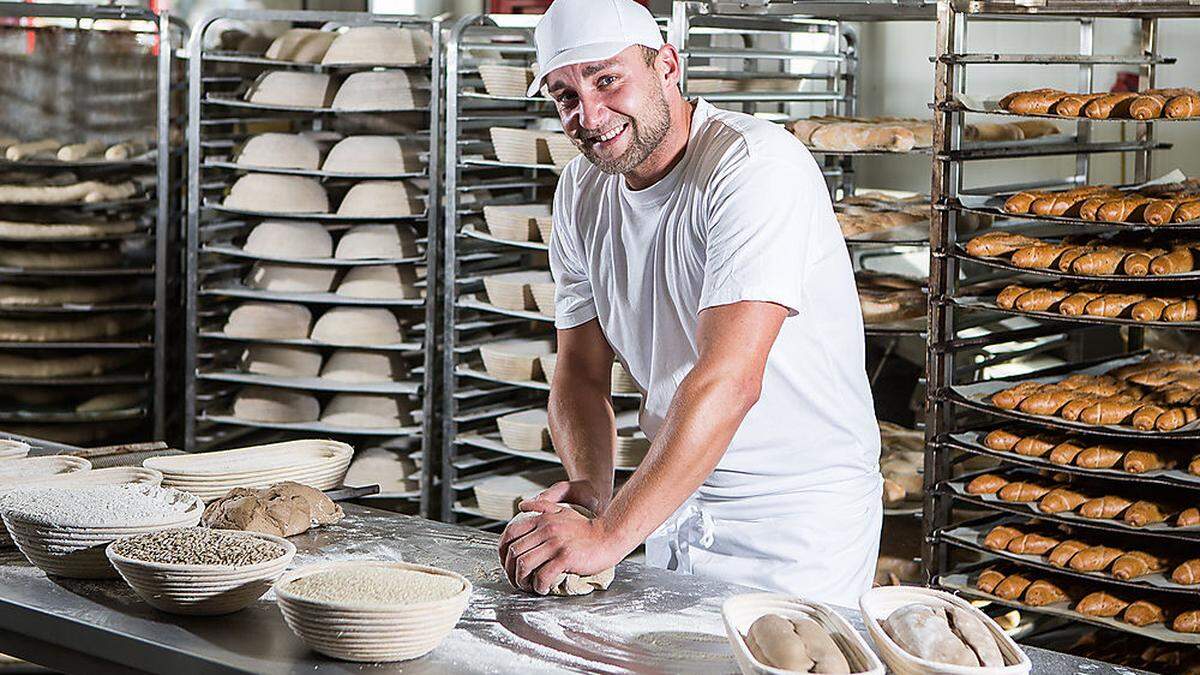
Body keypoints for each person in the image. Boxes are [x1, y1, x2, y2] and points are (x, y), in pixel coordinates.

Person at [497, 0, 882, 607]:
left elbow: (729, 381)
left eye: (607, 79)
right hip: (667, 495)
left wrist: (608, 535)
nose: (589, 115)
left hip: (790, 523)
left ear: (668, 66)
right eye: (565, 95)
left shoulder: (752, 166)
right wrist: (591, 492)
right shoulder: (581, 188)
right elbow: (578, 372)